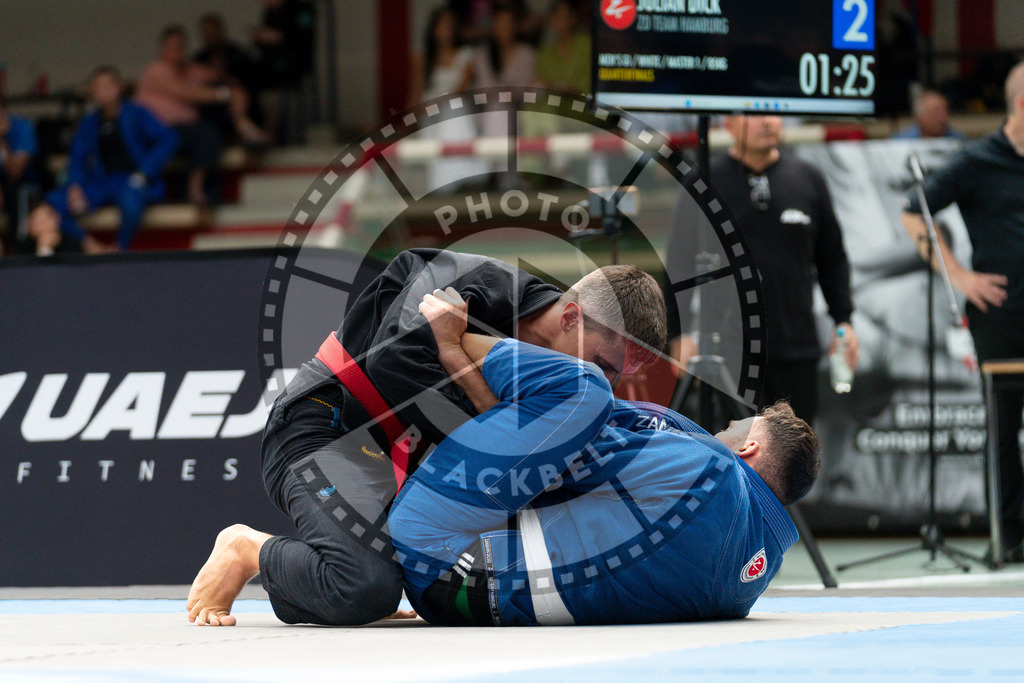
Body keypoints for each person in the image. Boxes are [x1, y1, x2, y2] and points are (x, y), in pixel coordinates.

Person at [186, 248, 667, 626]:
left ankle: (321, 584)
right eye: (602, 365)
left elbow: (509, 448)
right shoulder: (467, 281)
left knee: (384, 589)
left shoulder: (553, 378)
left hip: (391, 465)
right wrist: (494, 414)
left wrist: (462, 364)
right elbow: (391, 364)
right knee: (365, 588)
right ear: (570, 317)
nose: (601, 385)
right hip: (323, 427)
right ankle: (247, 548)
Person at [389, 290, 819, 624]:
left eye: (732, 429)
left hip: (435, 545)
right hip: (456, 602)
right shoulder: (745, 586)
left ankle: (445, 330)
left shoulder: (715, 474)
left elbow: (555, 440)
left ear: (749, 448)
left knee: (586, 389)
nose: (721, 430)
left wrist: (451, 348)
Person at [900, 61, 1024, 564]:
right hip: (1002, 316)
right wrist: (960, 276)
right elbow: (915, 211)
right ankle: (1010, 536)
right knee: (1003, 428)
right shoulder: (979, 160)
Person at [665, 115, 859, 426]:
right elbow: (678, 262)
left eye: (772, 112)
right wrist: (680, 333)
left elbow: (832, 258)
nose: (766, 122)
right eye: (753, 114)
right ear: (728, 124)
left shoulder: (807, 178)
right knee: (735, 451)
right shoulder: (703, 182)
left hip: (795, 346)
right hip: (728, 352)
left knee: (795, 456)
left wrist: (843, 321)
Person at [46, 67, 178, 252]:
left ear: (119, 88)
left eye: (108, 86)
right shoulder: (89, 122)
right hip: (101, 181)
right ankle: (89, 244)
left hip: (132, 180)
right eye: (98, 87)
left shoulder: (136, 113)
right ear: (92, 92)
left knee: (131, 202)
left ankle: (119, 249)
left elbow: (169, 138)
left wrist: (144, 172)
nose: (103, 91)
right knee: (53, 202)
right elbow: (77, 157)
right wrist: (75, 186)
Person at [135, 25, 266, 205]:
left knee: (213, 120)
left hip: (187, 130)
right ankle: (194, 188)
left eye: (181, 46)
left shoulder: (189, 68)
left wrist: (231, 88)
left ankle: (243, 126)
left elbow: (221, 77)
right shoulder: (156, 69)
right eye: (172, 46)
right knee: (207, 132)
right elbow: (185, 92)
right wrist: (225, 94)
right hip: (160, 132)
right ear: (162, 48)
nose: (177, 51)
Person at [407, 6, 486, 190]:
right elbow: (414, 97)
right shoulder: (423, 58)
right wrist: (410, 118)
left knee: (452, 110)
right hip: (429, 115)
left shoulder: (467, 55)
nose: (446, 30)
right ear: (433, 29)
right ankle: (443, 184)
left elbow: (461, 90)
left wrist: (437, 104)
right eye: (442, 25)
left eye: (450, 25)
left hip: (457, 111)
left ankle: (457, 179)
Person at [252, 0, 316, 144]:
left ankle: (271, 135)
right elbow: (267, 48)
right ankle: (259, 133)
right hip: (271, 68)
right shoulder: (270, 12)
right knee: (248, 75)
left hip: (293, 67)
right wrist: (261, 38)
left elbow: (303, 41)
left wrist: (279, 37)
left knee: (273, 90)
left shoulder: (301, 8)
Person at [0, 93, 39, 248]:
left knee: (16, 193)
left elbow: (15, 174)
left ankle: (20, 252)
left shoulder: (23, 127)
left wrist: (2, 140)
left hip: (24, 185)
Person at [534, 0, 590, 96]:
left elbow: (585, 87)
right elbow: (540, 82)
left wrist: (553, 86)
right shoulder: (546, 50)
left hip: (583, 104)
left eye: (564, 15)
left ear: (573, 18)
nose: (560, 20)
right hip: (553, 103)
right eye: (556, 16)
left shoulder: (586, 45)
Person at [892, 90, 964, 140]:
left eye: (945, 112)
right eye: (936, 113)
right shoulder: (901, 142)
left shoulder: (959, 142)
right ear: (919, 117)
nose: (942, 118)